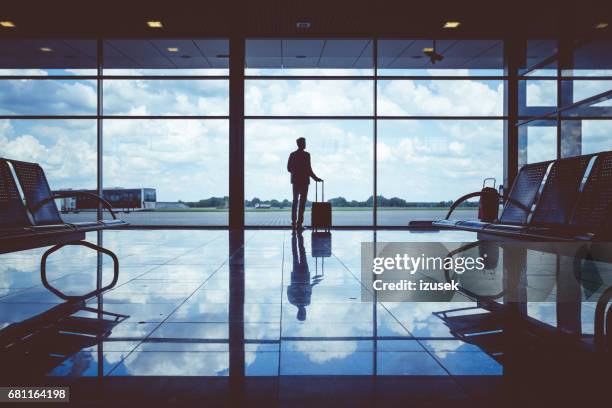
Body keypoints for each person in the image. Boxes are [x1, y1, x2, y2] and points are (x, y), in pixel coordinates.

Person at [287, 137, 322, 230]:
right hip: (304, 181)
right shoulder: (307, 155)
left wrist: (295, 172)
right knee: (302, 203)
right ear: (300, 144)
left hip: (295, 181)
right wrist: (315, 178)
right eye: (304, 143)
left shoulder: (292, 154)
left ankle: (294, 223)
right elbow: (308, 169)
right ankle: (299, 224)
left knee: (295, 201)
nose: (305, 145)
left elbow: (288, 168)